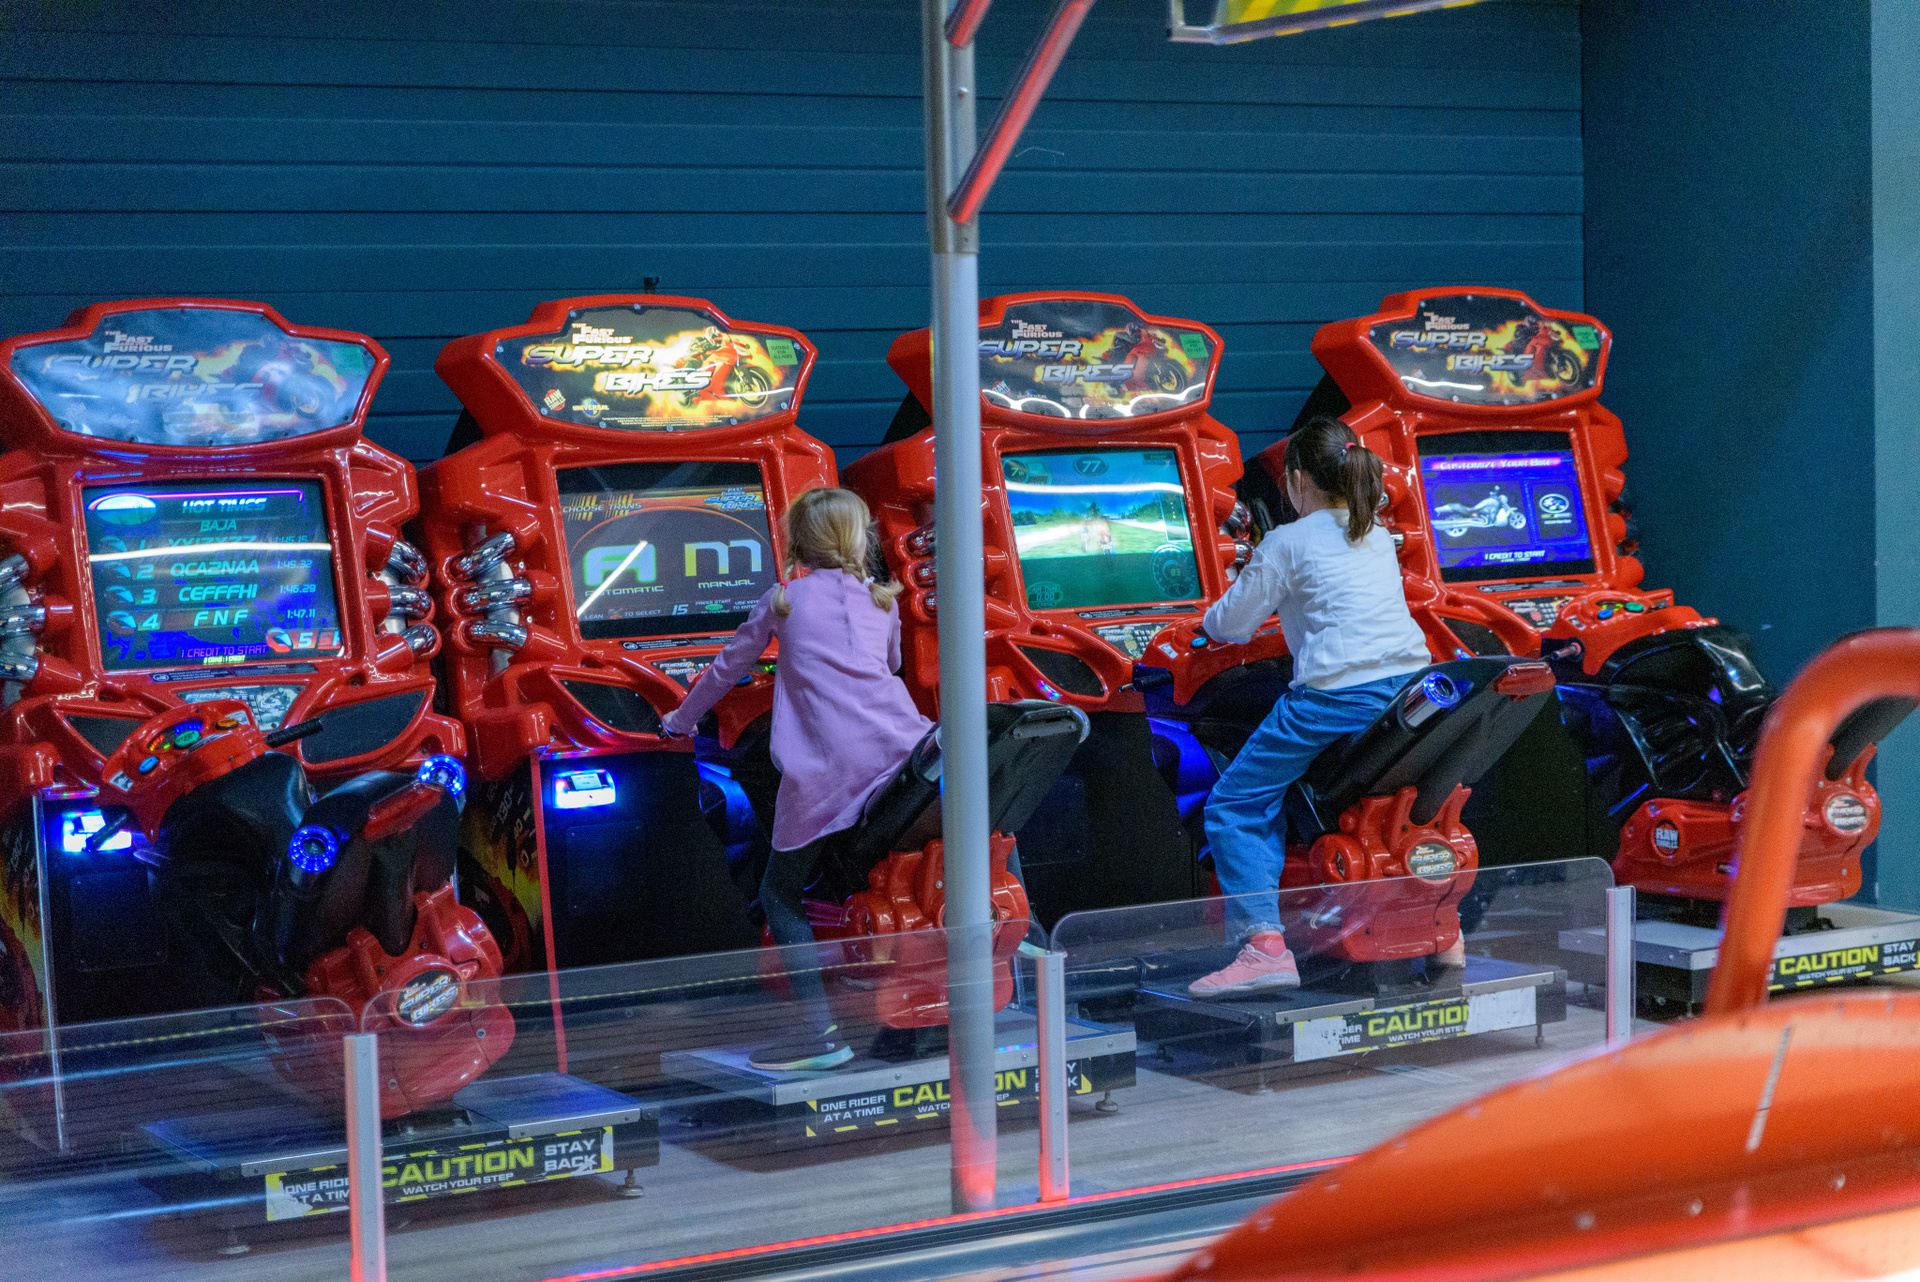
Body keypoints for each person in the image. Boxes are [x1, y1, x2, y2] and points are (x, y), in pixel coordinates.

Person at [660, 487, 931, 1070]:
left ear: (798, 542)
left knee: (779, 894)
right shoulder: (883, 600)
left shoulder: (782, 601)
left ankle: (821, 1039)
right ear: (859, 539)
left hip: (831, 771)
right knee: (980, 822)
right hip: (904, 752)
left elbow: (724, 670)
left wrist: (677, 721)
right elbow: (889, 667)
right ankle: (1031, 938)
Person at [1188, 416, 1432, 996]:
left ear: (1296, 480)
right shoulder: (1374, 532)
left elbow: (1231, 625)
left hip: (1335, 699)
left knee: (1235, 804)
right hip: (1408, 692)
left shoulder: (1286, 542)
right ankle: (1442, 938)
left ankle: (1264, 947)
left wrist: (1202, 621)